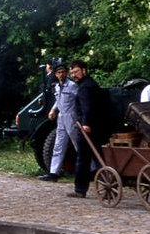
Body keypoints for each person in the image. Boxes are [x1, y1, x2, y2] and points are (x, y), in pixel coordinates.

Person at [67, 59, 109, 198]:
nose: (74, 75)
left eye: (76, 71)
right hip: (97, 127)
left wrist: (86, 124)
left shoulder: (85, 87)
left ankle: (80, 189)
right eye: (72, 73)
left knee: (84, 159)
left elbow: (87, 107)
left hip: (88, 128)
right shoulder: (91, 84)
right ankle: (107, 183)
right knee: (96, 157)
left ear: (84, 70)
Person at [39, 60, 78, 181]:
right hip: (61, 117)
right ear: (55, 74)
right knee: (58, 145)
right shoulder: (57, 86)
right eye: (59, 72)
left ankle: (91, 169)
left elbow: (81, 100)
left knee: (79, 144)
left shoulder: (72, 86)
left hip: (71, 117)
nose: (61, 74)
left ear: (66, 73)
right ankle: (54, 173)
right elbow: (58, 99)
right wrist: (53, 110)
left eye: (63, 72)